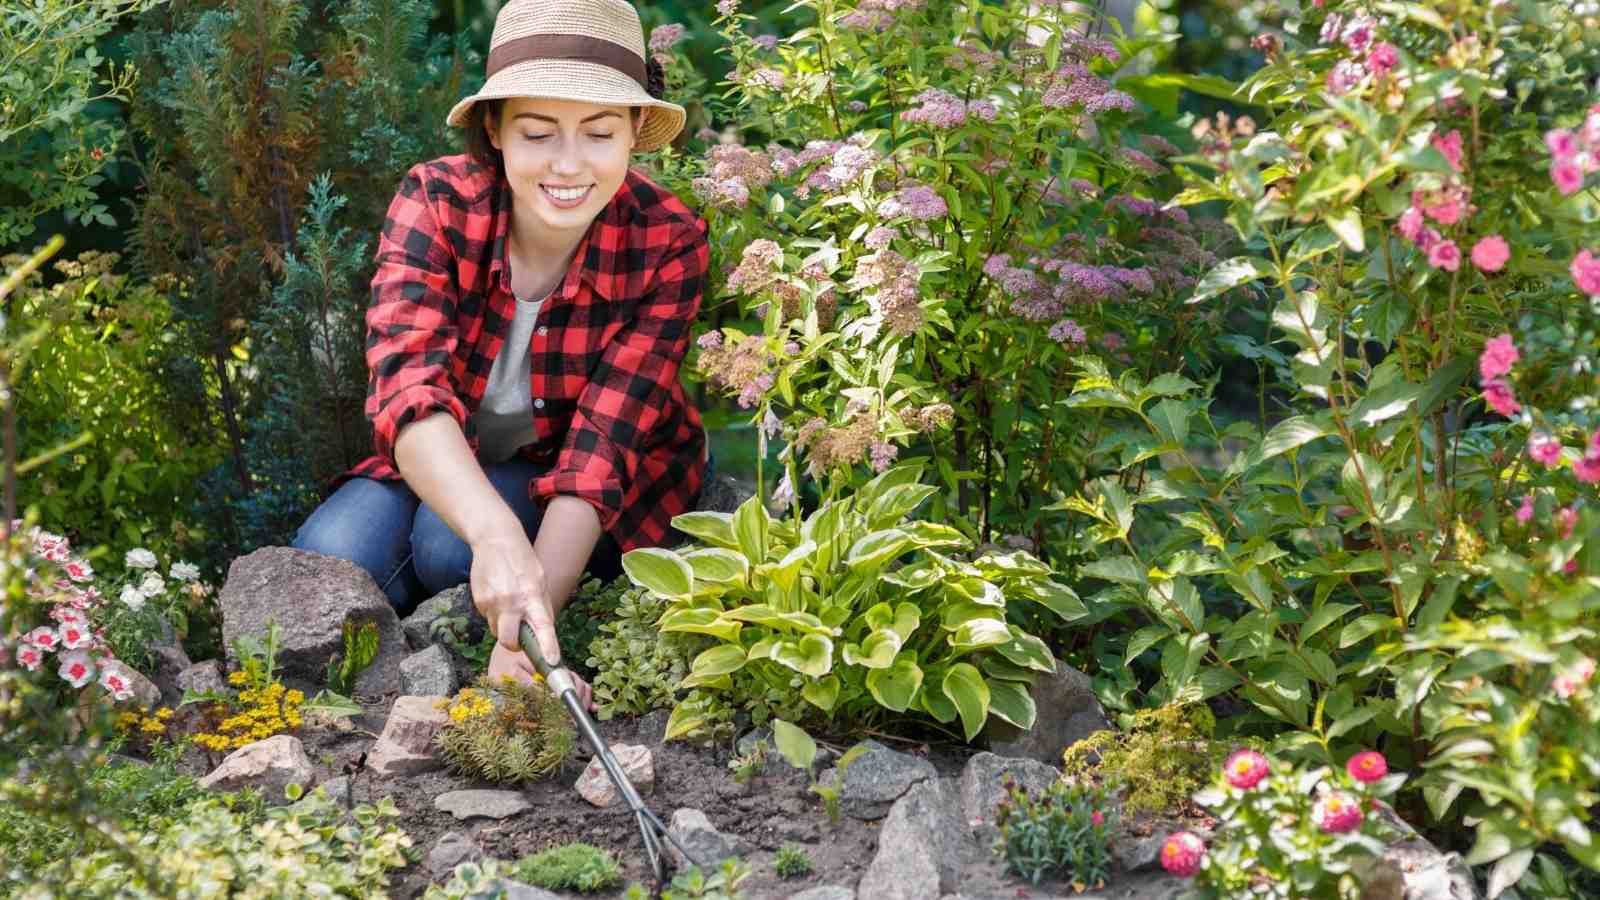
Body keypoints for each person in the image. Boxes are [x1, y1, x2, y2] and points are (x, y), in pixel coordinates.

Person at [291, 0, 711, 707]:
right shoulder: (437, 201)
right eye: (539, 133)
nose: (568, 164)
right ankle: (443, 616)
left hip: (573, 483)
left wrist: (524, 643)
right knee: (333, 557)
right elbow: (408, 390)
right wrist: (494, 532)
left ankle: (471, 618)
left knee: (447, 551)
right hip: (451, 453)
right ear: (495, 128)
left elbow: (601, 453)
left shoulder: (668, 241)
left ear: (637, 130)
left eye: (599, 133)